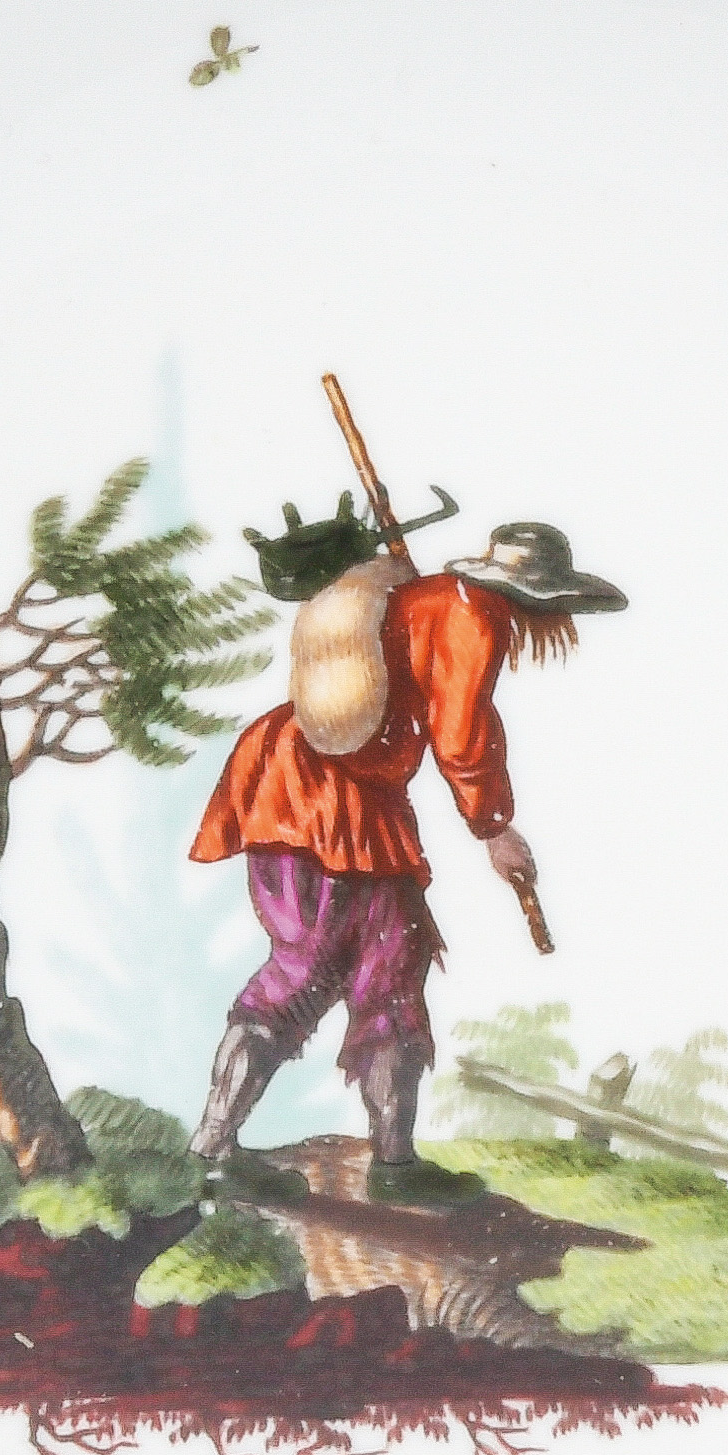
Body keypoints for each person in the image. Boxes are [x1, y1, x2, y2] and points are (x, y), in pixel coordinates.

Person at [185, 503, 628, 1204]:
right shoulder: (474, 616)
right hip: (318, 793)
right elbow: (461, 731)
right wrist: (493, 827)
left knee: (389, 961)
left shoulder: (437, 600)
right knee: (312, 964)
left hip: (333, 787)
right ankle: (213, 1150)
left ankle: (392, 1163)